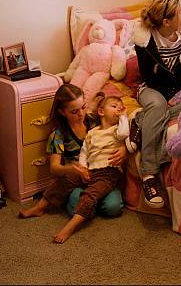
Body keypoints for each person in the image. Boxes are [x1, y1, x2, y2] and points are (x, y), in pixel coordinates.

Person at [18, 85, 128, 243]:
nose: (81, 114)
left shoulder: (94, 120)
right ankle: (40, 208)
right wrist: (73, 168)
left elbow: (119, 133)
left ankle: (88, 204)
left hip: (102, 173)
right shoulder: (58, 134)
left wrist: (124, 149)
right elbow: (54, 169)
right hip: (77, 176)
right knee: (75, 198)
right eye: (74, 111)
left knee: (113, 207)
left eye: (83, 107)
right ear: (62, 112)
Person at [131, 0, 181, 208]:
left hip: (179, 91)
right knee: (158, 105)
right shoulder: (145, 41)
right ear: (167, 21)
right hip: (152, 88)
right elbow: (149, 76)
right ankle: (149, 174)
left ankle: (140, 123)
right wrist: (169, 97)